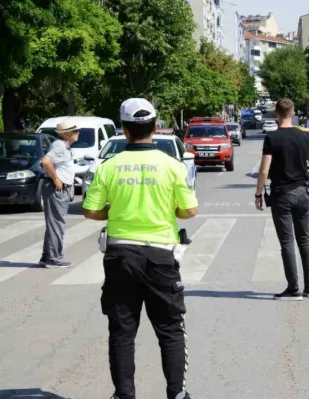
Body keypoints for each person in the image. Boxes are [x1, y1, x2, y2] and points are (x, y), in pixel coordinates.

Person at [82, 98, 198, 399]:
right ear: (155, 127)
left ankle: (123, 395)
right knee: (170, 330)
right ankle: (176, 395)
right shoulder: (172, 166)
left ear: (124, 128)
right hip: (160, 256)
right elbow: (189, 211)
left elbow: (90, 211)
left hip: (120, 256)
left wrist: (116, 210)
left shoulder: (109, 167)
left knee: (122, 332)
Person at [255, 98, 309, 301]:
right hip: (302, 192)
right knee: (305, 240)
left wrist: (258, 193)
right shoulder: (304, 136)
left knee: (287, 242)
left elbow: (264, 169)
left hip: (281, 195)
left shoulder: (272, 138)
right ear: (293, 114)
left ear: (276, 115)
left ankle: (293, 290)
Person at [39, 118, 79, 268]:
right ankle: (54, 258)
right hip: (56, 190)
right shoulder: (59, 146)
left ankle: (47, 256)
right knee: (57, 224)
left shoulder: (65, 146)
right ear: (67, 134)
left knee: (54, 224)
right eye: (75, 131)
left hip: (60, 189)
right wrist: (56, 178)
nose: (78, 133)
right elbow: (45, 161)